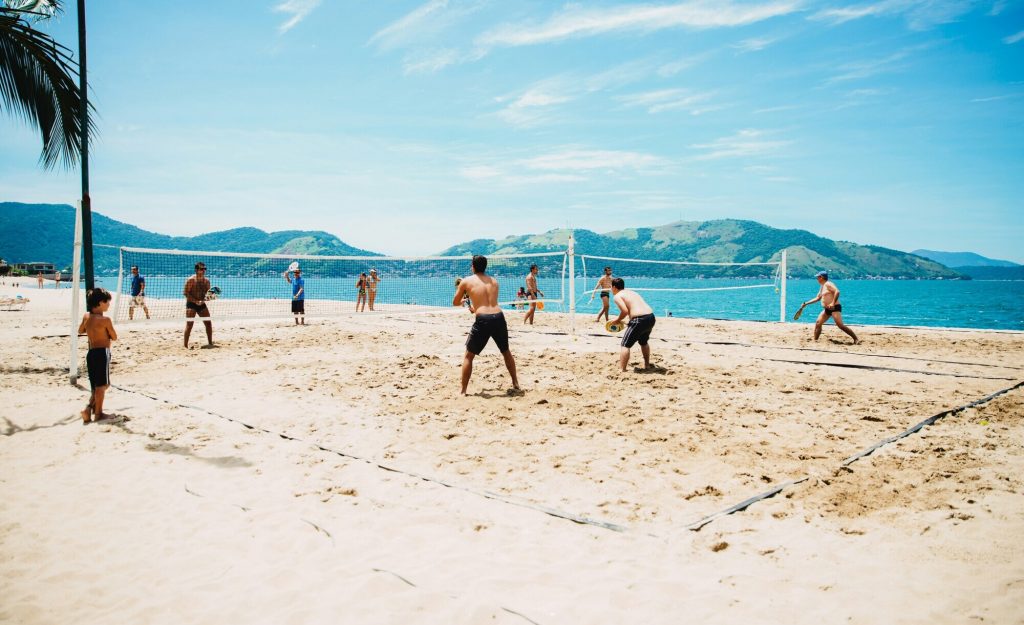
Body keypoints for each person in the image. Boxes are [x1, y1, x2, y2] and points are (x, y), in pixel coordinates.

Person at [453, 255, 520, 396]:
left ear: (473, 265)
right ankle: (515, 383)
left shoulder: (466, 281)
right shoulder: (494, 281)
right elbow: (488, 302)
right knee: (506, 351)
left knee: (468, 356)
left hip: (483, 319)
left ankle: (463, 391)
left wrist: (465, 300)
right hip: (498, 317)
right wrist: (474, 307)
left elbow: (455, 302)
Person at [78, 288, 117, 424]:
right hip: (102, 352)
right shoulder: (105, 320)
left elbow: (80, 330)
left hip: (91, 352)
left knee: (96, 386)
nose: (109, 305)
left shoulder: (86, 316)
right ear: (100, 302)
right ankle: (98, 414)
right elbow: (114, 336)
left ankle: (89, 409)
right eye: (107, 302)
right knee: (103, 385)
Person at [610, 277, 657, 372]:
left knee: (625, 345)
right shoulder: (631, 292)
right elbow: (635, 308)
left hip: (639, 320)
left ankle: (622, 370)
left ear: (614, 287)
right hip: (650, 317)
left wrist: (617, 320)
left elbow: (624, 311)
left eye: (611, 287)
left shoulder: (617, 296)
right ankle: (647, 365)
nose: (611, 290)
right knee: (644, 342)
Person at [801, 270, 858, 344]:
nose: (817, 279)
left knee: (840, 325)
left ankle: (856, 339)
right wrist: (806, 303)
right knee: (818, 323)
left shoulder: (828, 284)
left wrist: (832, 303)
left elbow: (837, 291)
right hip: (827, 309)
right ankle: (815, 340)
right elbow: (818, 298)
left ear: (821, 277)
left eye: (817, 277)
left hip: (835, 307)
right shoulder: (822, 286)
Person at [183, 262, 214, 348]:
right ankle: (185, 345)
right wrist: (196, 301)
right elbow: (185, 293)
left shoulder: (207, 281)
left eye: (204, 269)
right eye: (201, 269)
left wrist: (205, 300)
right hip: (191, 304)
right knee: (189, 324)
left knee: (208, 323)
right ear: (196, 270)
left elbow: (208, 295)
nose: (203, 271)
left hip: (201, 304)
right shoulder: (191, 280)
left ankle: (210, 343)